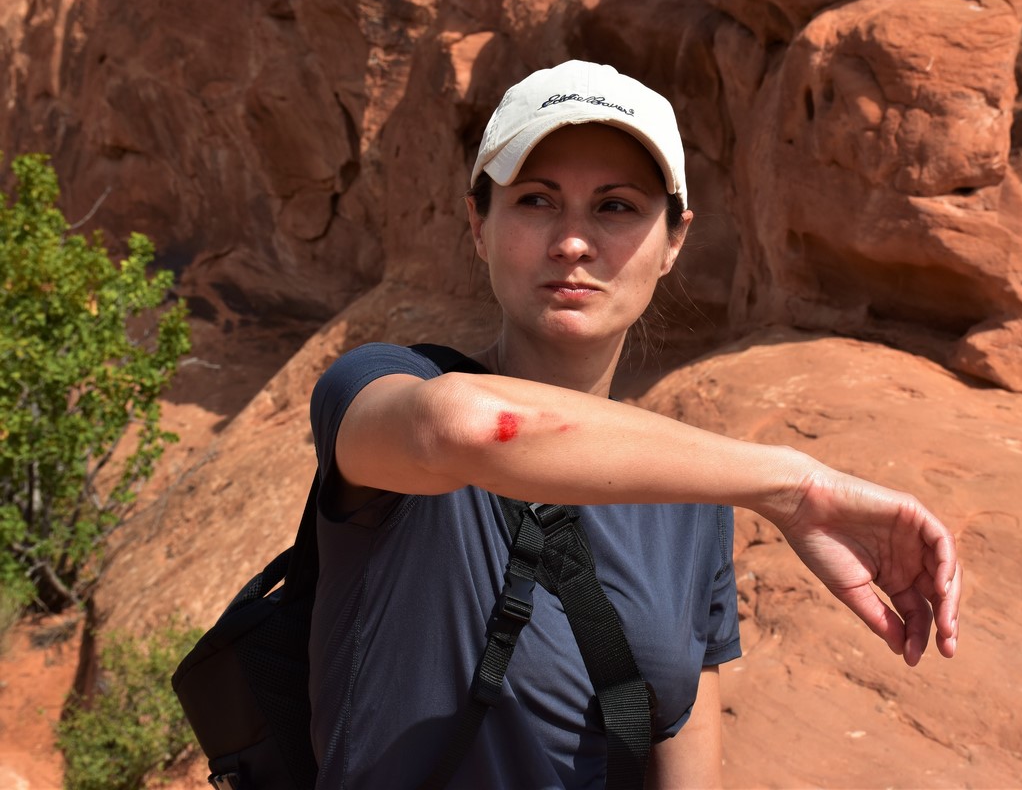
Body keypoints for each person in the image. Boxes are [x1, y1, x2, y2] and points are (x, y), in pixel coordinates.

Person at [307, 60, 961, 789]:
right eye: (535, 200)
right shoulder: (379, 386)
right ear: (478, 226)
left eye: (615, 207)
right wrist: (793, 486)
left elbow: (685, 761)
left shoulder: (689, 499)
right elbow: (464, 428)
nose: (574, 243)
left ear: (674, 240)